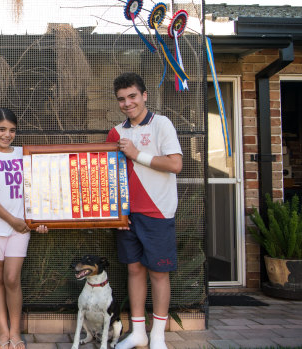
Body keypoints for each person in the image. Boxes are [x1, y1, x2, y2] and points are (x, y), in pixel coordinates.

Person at [106, 72, 182, 349]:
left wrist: (137, 154)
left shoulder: (162, 124)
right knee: (135, 271)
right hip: (127, 216)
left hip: (158, 212)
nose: (127, 103)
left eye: (132, 97)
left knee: (159, 274)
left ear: (144, 95)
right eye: (122, 99)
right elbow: (109, 175)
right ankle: (138, 334)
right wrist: (117, 214)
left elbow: (175, 164)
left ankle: (158, 336)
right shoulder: (116, 132)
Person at [0, 108, 48, 349]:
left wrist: (42, 219)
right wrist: (12, 220)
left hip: (21, 228)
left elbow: (40, 188)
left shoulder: (24, 154)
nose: (7, 135)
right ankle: (3, 332)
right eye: (2, 129)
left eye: (12, 130)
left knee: (12, 278)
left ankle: (16, 332)